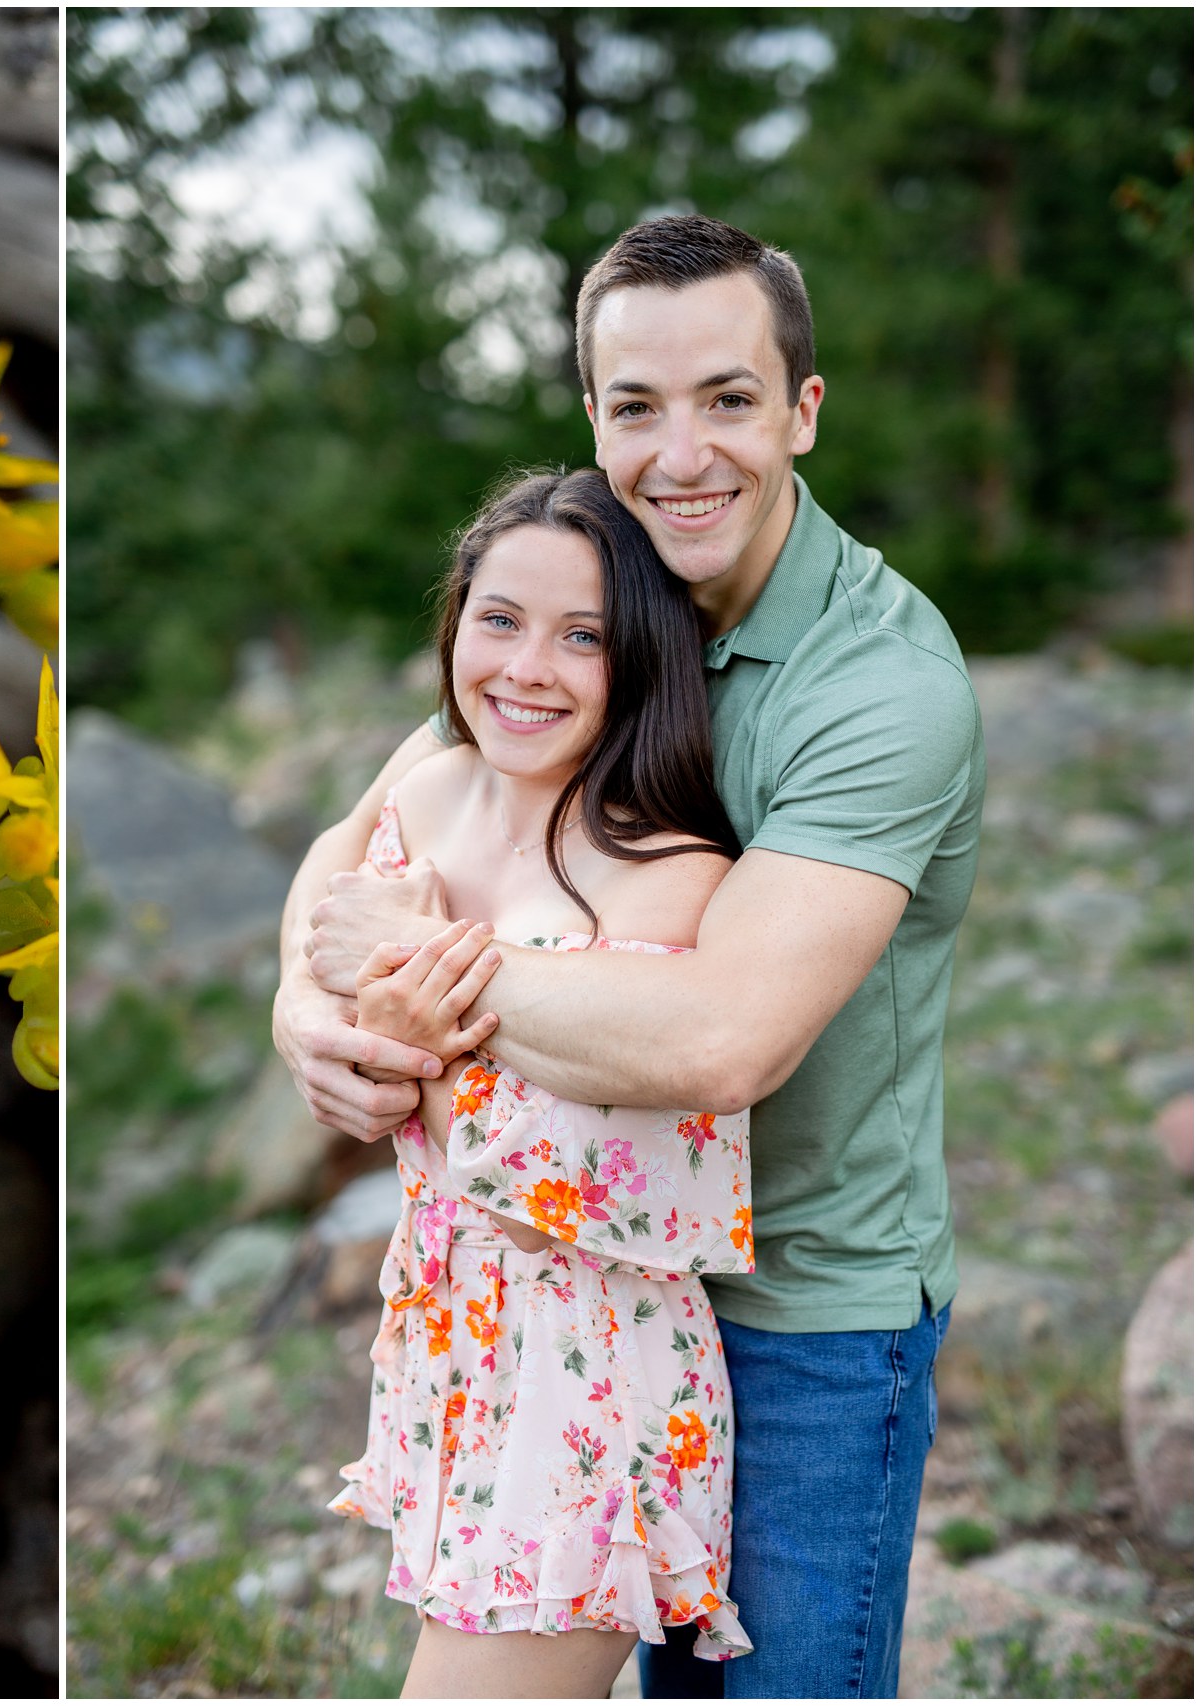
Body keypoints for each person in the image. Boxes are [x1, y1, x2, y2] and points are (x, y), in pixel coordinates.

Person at [276, 215, 984, 1699]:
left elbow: (719, 1037)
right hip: (559, 1293)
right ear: (590, 416)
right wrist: (304, 998)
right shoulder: (595, 614)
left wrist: (421, 967)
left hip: (799, 1307)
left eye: (728, 399)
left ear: (801, 409)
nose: (682, 452)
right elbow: (368, 830)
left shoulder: (879, 684)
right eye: (634, 406)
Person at [328, 465, 755, 1699]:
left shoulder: (666, 865)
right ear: (455, 616)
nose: (527, 667)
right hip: (446, 1339)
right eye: (499, 617)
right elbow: (346, 999)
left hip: (590, 1370)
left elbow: (614, 1182)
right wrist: (388, 1036)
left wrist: (417, 1029)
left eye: (584, 636)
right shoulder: (422, 796)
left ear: (640, 660)